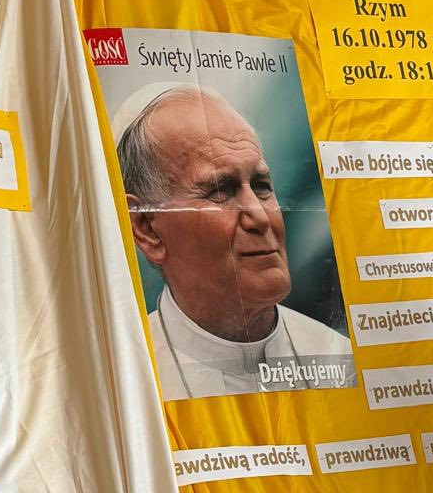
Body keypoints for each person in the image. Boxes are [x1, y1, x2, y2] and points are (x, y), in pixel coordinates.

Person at [116, 84, 351, 401]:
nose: (260, 217)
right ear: (147, 228)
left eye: (262, 186)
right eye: (220, 191)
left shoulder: (342, 358)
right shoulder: (125, 384)